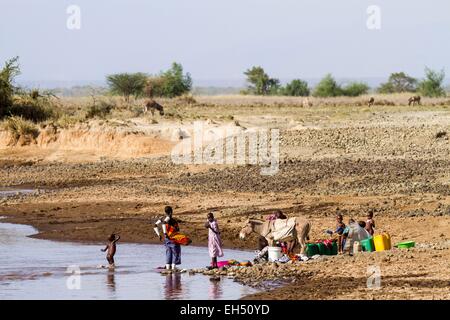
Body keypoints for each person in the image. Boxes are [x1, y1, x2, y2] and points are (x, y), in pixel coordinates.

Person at [154, 206, 190, 270]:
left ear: (165, 212)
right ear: (171, 212)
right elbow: (165, 223)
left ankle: (168, 267)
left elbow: (155, 225)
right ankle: (173, 267)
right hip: (173, 238)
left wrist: (159, 235)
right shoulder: (169, 218)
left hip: (166, 239)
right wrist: (165, 233)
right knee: (175, 252)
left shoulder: (162, 218)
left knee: (168, 252)